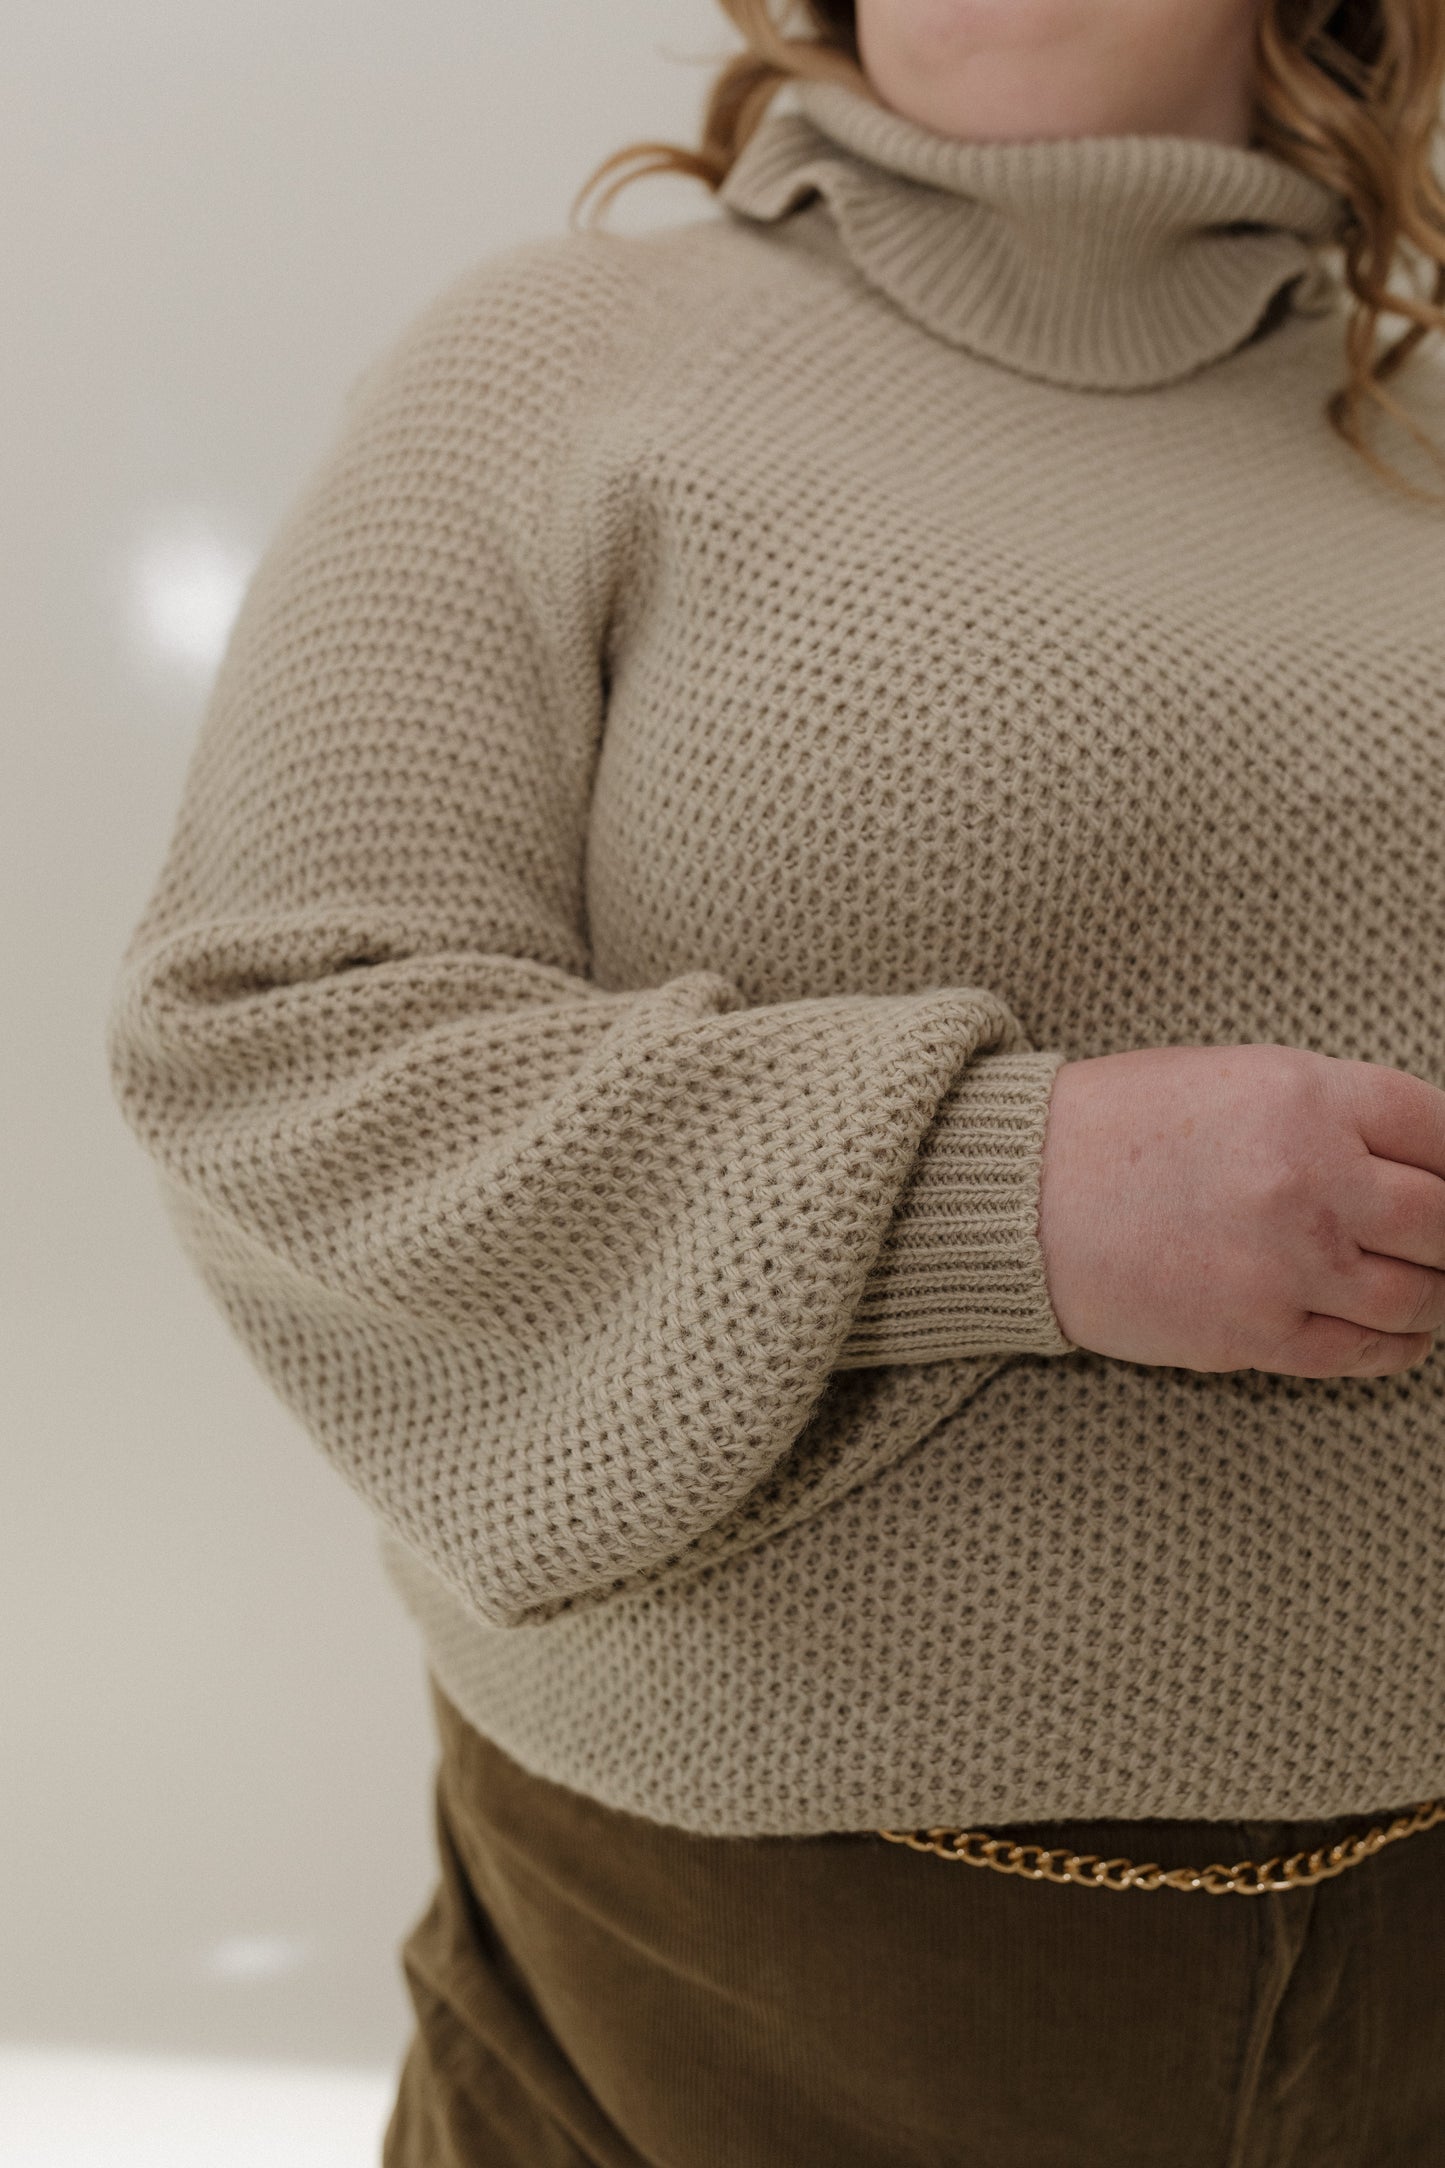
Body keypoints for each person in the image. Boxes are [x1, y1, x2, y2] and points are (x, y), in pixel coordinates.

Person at [105, 0, 1445, 2157]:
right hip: (736, 1995)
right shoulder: (551, 371)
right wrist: (1022, 1192)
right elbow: (272, 1047)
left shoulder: (1423, 442)